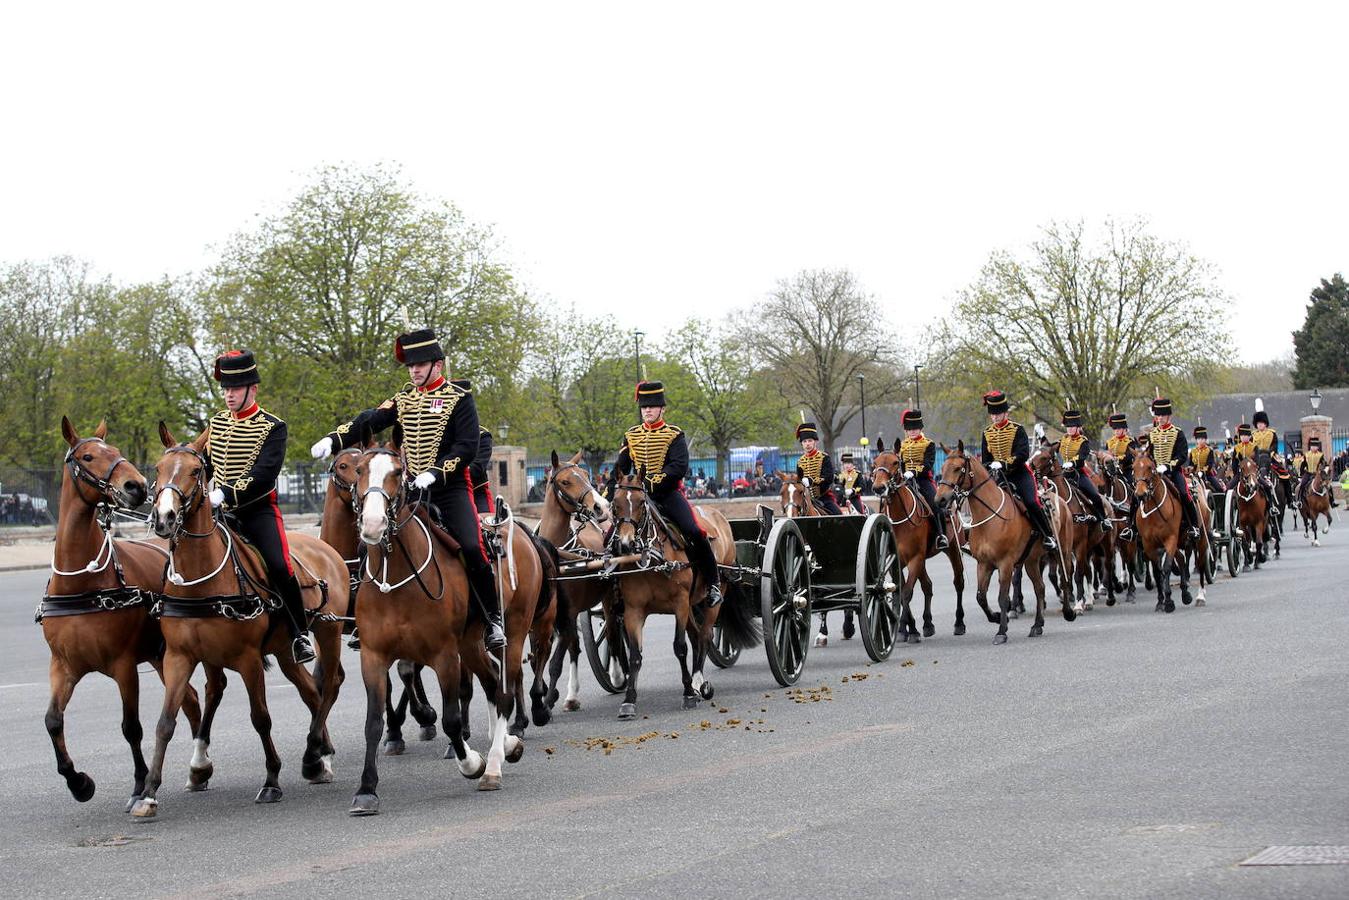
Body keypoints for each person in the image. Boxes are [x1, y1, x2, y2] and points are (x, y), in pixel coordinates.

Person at [311, 327, 505, 650]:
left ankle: (491, 619)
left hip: (449, 489)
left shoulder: (460, 400)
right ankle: (366, 616)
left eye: (421, 364)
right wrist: (335, 439)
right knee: (368, 543)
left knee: (472, 547)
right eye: (410, 365)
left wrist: (438, 473)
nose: (414, 370)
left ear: (437, 366)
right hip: (411, 492)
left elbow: (468, 446)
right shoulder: (403, 400)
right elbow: (368, 420)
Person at [201, 350, 314, 664]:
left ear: (253, 389)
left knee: (280, 566)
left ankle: (299, 633)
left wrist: (224, 493)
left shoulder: (272, 427)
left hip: (257, 511)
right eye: (225, 389)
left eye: (235, 389)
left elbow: (264, 474)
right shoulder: (216, 423)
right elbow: (206, 465)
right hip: (218, 513)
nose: (229, 395)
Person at [606, 380, 721, 606]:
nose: (647, 410)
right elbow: (620, 467)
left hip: (667, 495)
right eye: (644, 406)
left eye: (652, 406)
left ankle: (713, 582)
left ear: (662, 408)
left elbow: (678, 467)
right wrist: (610, 493)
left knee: (694, 531)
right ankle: (613, 588)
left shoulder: (674, 435)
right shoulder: (631, 436)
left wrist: (651, 484)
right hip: (636, 499)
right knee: (611, 537)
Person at [980, 390, 1057, 550]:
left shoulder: (1017, 429)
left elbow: (1023, 454)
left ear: (1006, 413)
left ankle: (1047, 535)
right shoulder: (986, 433)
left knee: (1031, 502)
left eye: (998, 414)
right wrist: (990, 466)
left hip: (1019, 475)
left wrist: (1004, 463)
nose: (995, 417)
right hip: (999, 477)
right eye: (992, 414)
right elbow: (986, 460)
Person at [1144, 398, 1203, 542]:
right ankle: (1133, 527)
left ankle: (1193, 526)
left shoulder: (1178, 433)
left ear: (1169, 416)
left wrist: (1168, 466)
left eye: (1162, 415)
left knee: (1184, 493)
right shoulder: (1152, 434)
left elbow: (1182, 456)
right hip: (1155, 473)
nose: (1160, 418)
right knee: (1139, 493)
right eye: (1158, 415)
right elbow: (1148, 454)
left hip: (1173, 471)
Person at [898, 409, 950, 549]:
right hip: (905, 481)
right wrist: (902, 474)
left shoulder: (928, 444)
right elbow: (901, 464)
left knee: (935, 505)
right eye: (910, 429)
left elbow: (928, 464)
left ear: (920, 428)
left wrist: (913, 472)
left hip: (923, 480)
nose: (912, 431)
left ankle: (941, 535)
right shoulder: (902, 446)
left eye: (915, 428)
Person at [1058, 407, 1111, 531]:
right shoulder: (1063, 439)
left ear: (1078, 427)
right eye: (1068, 426)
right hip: (1063, 474)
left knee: (1095, 496)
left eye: (1072, 426)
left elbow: (1082, 457)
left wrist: (1072, 463)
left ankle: (1103, 520)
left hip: (1078, 474)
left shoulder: (1083, 441)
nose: (1070, 429)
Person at [795, 423, 842, 514]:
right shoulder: (800, 461)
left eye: (810, 441)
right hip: (805, 499)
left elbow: (829, 478)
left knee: (840, 516)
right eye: (804, 441)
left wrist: (812, 481)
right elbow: (798, 481)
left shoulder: (824, 457)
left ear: (815, 442)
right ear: (802, 444)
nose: (807, 444)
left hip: (823, 497)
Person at [1298, 437, 1339, 507]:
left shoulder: (1320, 455)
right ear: (1310, 447)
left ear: (1317, 447)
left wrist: (1326, 468)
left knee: (1328, 486)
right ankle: (1299, 500)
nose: (1313, 448)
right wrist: (1301, 474)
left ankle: (1332, 502)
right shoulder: (1306, 454)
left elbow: (1324, 463)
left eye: (1315, 446)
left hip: (1317, 474)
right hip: (1308, 473)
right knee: (1302, 485)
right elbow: (1303, 465)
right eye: (1312, 446)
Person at [1188, 425, 1226, 495]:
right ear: (1196, 440)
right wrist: (1190, 469)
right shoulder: (1193, 451)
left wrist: (1202, 471)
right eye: (1199, 439)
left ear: (1205, 439)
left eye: (1202, 439)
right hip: (1194, 475)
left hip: (1207, 475)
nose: (1200, 441)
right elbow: (1191, 464)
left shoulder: (1209, 450)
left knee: (1219, 488)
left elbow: (1209, 464)